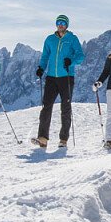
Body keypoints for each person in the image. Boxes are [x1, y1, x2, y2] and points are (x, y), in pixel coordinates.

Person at [32, 14, 84, 148]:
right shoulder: (50, 39)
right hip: (51, 77)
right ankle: (42, 138)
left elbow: (80, 56)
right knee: (46, 107)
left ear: (67, 25)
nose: (60, 25)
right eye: (59, 22)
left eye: (63, 23)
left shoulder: (72, 39)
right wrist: (41, 68)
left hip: (66, 76)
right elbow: (45, 56)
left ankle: (63, 139)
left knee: (65, 107)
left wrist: (71, 61)